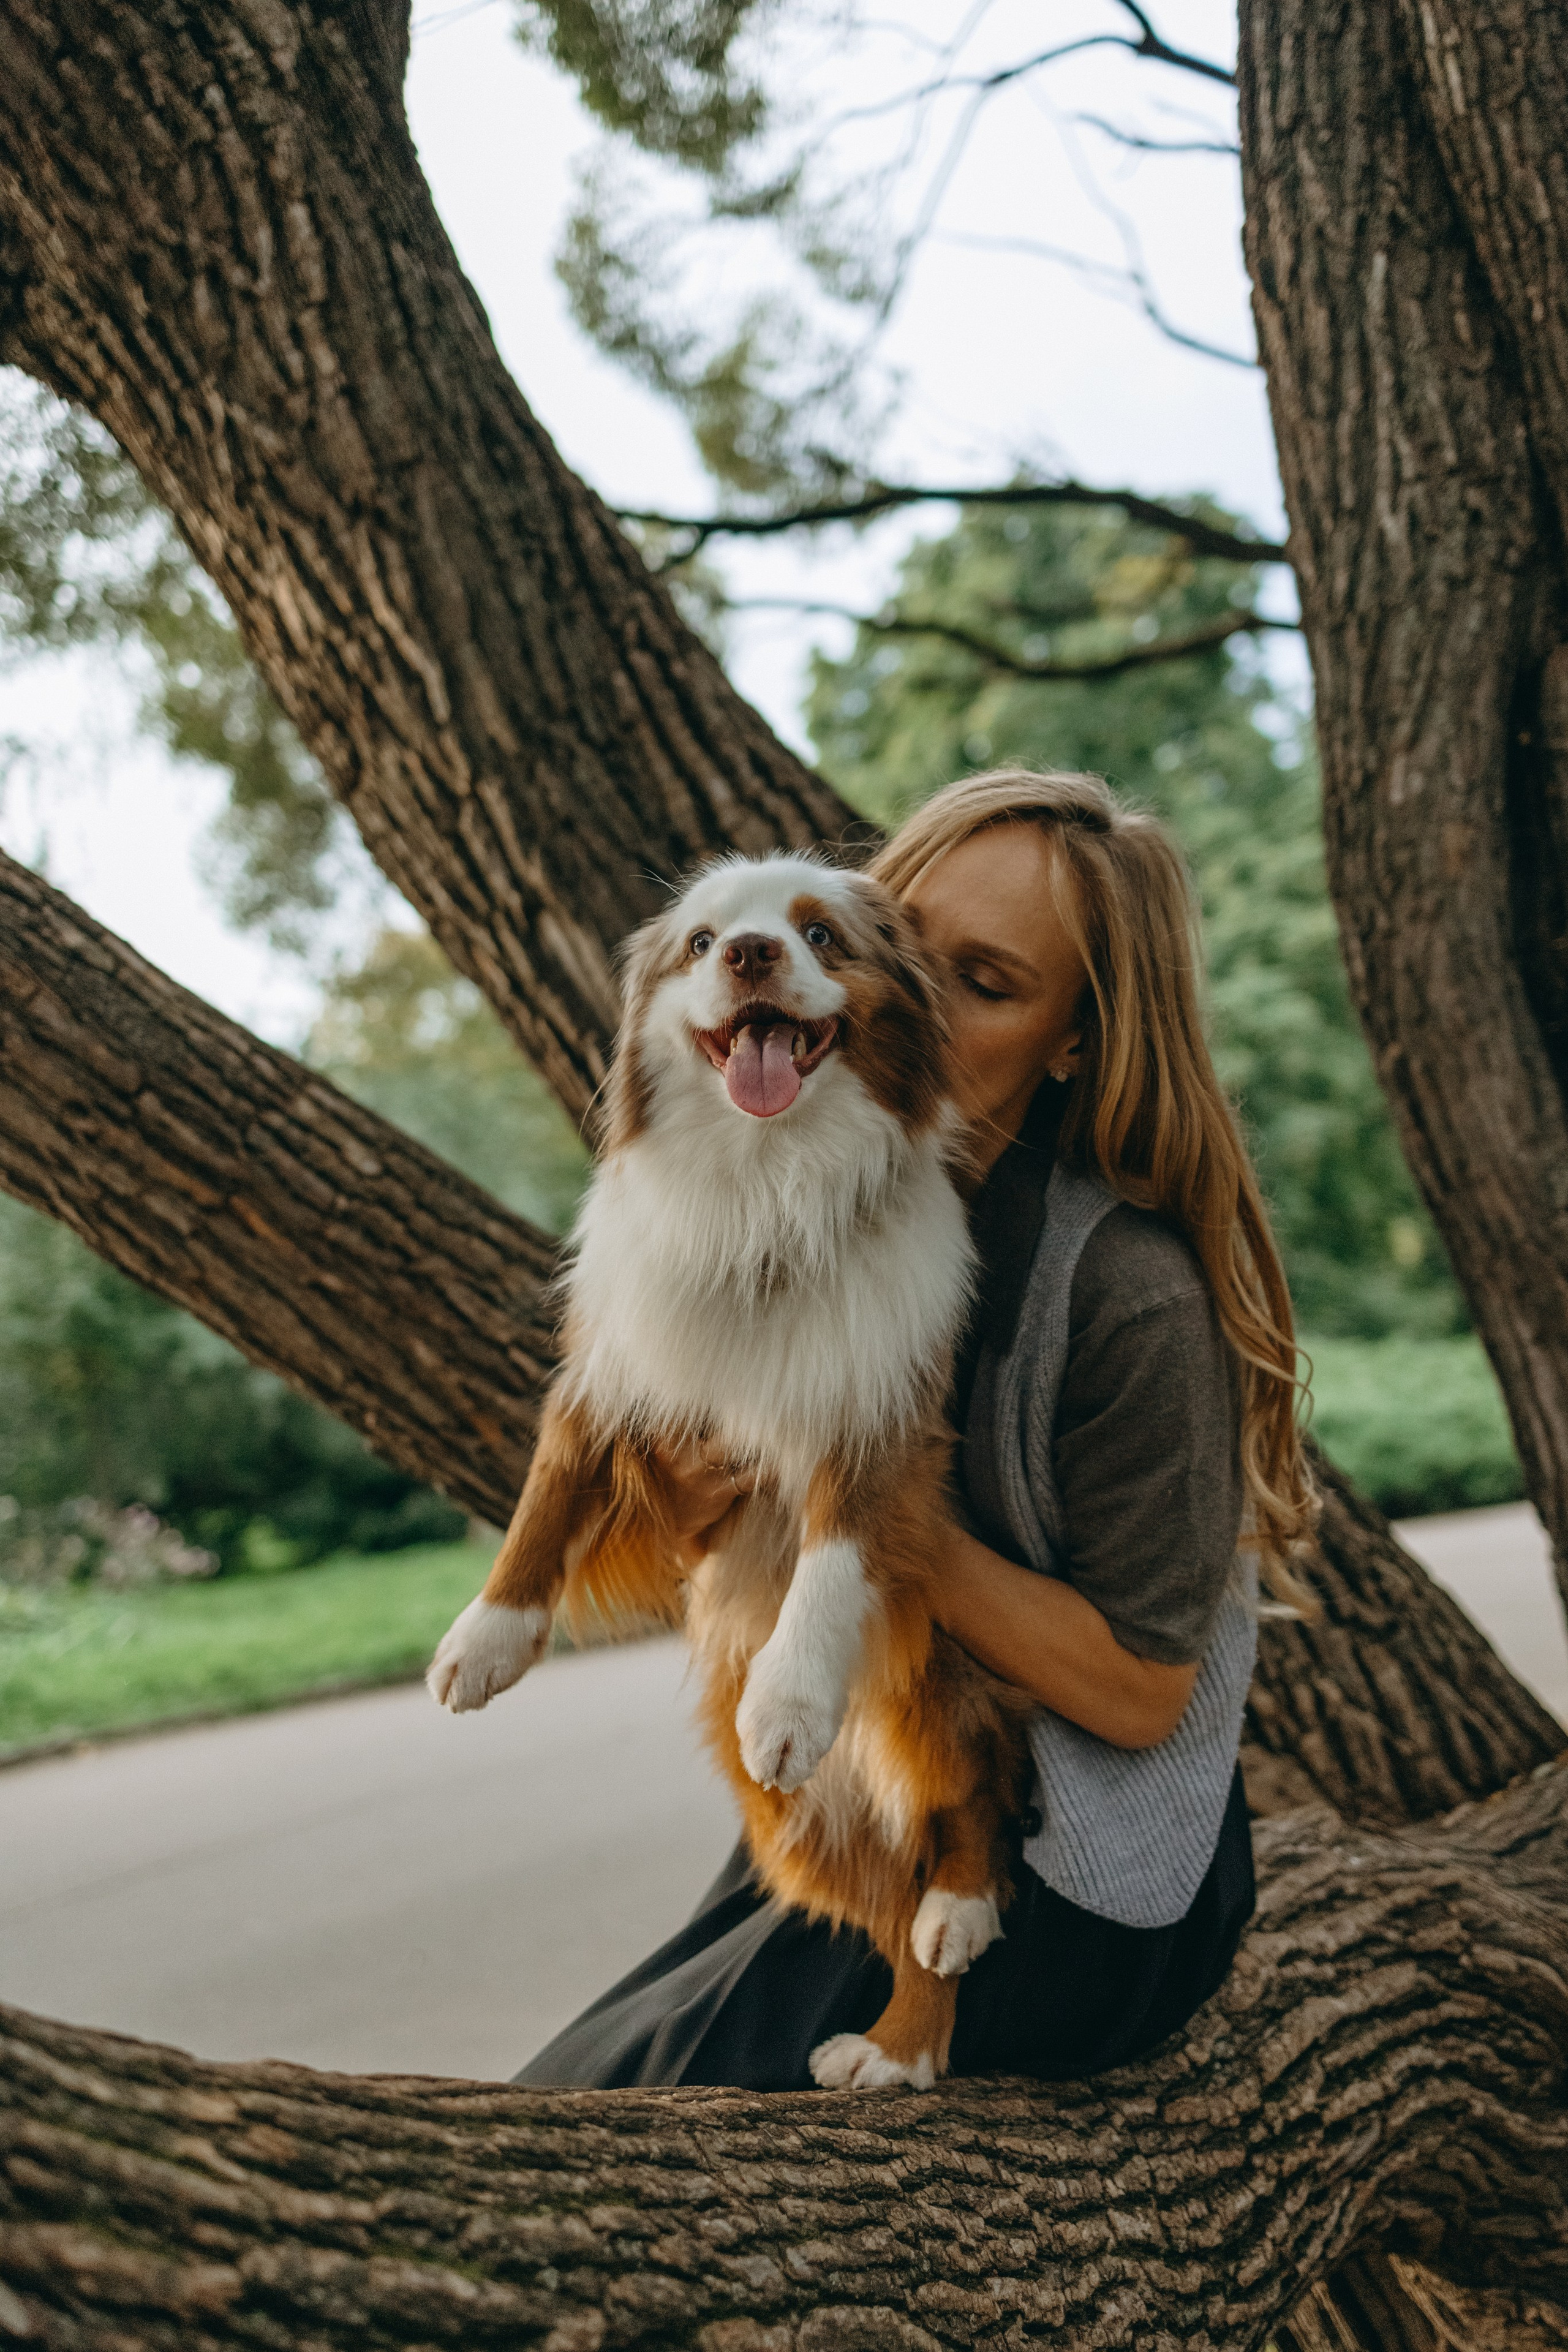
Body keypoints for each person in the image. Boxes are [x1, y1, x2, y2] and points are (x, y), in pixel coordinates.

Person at [515, 767, 1314, 2090]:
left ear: (1073, 1040)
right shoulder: (803, 1203)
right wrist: (697, 1493)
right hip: (856, 1794)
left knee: (622, 2118)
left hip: (1065, 1875)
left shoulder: (1126, 1295)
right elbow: (680, 1541)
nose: (919, 1008)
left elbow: (1138, 1690)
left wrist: (880, 1525)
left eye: (988, 986)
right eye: (895, 948)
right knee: (565, 2085)